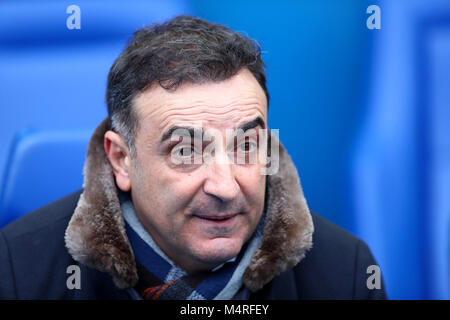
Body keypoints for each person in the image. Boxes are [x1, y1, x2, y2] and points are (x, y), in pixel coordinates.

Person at [0, 15, 386, 300]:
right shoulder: (18, 271)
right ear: (121, 160)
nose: (225, 186)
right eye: (186, 151)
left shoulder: (346, 273)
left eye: (246, 146)